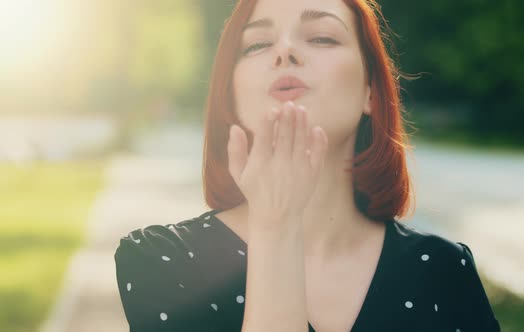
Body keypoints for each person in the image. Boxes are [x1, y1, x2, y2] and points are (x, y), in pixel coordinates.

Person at [114, 0, 501, 331]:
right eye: (257, 44)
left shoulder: (443, 270)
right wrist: (276, 225)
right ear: (230, 95)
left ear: (371, 89)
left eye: (321, 37)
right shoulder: (162, 262)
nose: (285, 52)